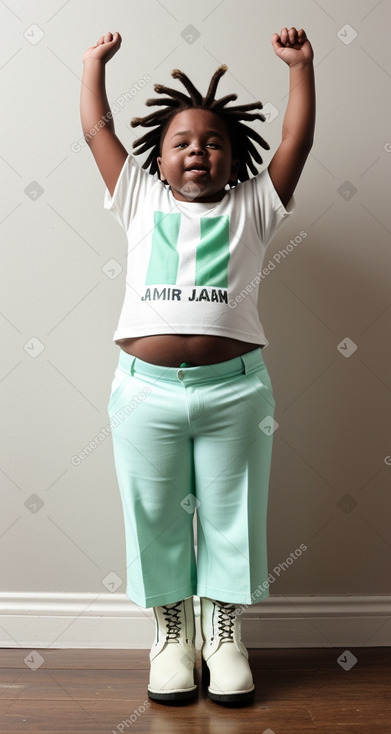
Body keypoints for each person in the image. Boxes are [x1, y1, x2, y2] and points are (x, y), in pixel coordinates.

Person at [80, 26, 315, 706]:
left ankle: (223, 635)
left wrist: (299, 69)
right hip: (142, 394)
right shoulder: (138, 199)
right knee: (151, 510)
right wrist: (94, 64)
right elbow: (97, 132)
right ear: (155, 155)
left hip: (234, 396)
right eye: (181, 141)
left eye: (213, 142)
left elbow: (295, 142)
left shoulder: (254, 207)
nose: (197, 152)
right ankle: (170, 635)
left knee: (230, 514)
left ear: (235, 155)